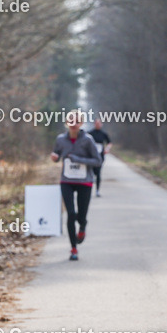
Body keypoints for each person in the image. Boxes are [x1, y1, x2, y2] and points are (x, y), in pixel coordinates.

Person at [50, 110, 102, 261]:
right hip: (66, 181)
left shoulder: (88, 140)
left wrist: (79, 159)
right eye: (71, 121)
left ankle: (83, 226)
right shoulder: (60, 139)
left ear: (81, 123)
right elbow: (57, 155)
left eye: (77, 121)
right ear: (67, 123)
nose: (73, 124)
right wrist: (54, 158)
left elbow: (97, 161)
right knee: (71, 214)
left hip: (84, 182)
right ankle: (73, 248)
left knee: (81, 215)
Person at [88, 119, 112, 196]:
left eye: (99, 123)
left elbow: (109, 143)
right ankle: (89, 189)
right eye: (96, 123)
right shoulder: (90, 133)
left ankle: (97, 190)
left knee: (98, 173)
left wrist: (107, 149)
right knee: (91, 173)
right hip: (91, 156)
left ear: (101, 124)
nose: (98, 125)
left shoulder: (104, 134)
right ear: (94, 124)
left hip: (100, 156)